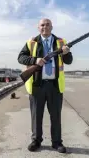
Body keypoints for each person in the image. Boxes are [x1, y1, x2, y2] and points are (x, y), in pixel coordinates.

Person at [17, 18, 73, 153]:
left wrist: (65, 53)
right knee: (36, 115)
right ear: (38, 28)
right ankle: (36, 141)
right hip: (37, 85)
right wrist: (35, 60)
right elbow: (21, 58)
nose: (45, 27)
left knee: (56, 116)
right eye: (42, 25)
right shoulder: (31, 43)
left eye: (48, 25)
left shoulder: (61, 42)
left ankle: (57, 142)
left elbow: (69, 60)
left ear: (52, 27)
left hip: (54, 85)